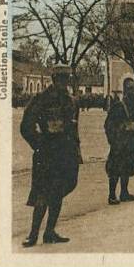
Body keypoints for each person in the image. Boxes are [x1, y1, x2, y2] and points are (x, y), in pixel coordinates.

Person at [20, 63, 80, 247]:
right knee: (42, 193)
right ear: (54, 79)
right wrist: (39, 144)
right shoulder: (41, 99)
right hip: (47, 154)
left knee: (59, 192)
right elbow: (26, 126)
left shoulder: (70, 100)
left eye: (66, 79)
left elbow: (73, 127)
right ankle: (33, 234)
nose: (64, 82)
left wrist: (76, 152)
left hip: (66, 153)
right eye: (61, 78)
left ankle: (50, 232)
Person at [104, 83, 134, 205]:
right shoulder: (118, 107)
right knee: (115, 168)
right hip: (119, 143)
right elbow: (108, 124)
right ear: (127, 93)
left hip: (130, 143)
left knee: (127, 167)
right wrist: (114, 139)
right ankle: (112, 195)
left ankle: (124, 193)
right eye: (133, 93)